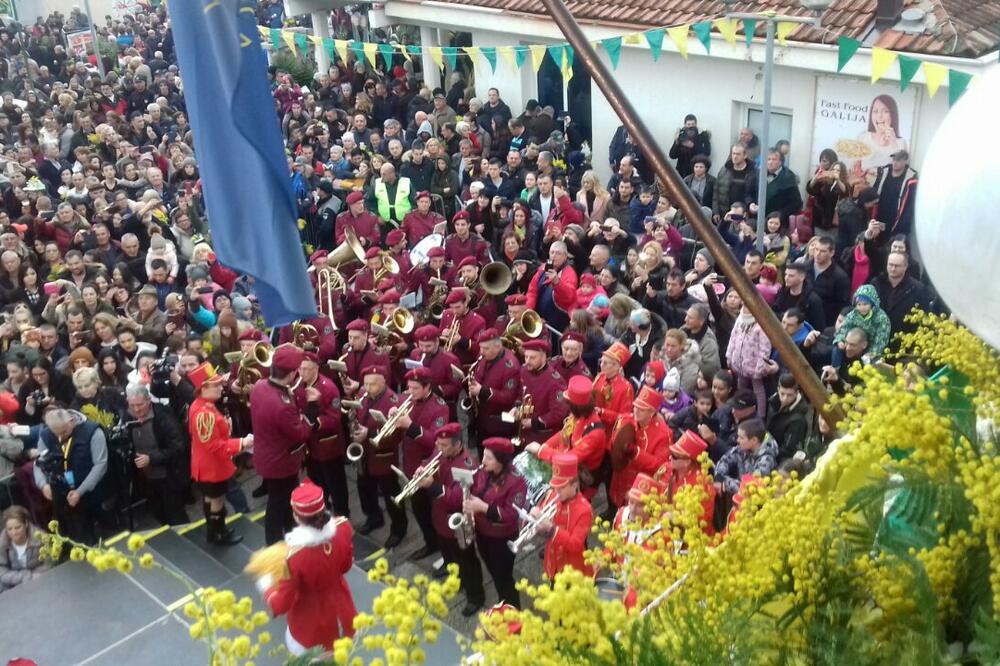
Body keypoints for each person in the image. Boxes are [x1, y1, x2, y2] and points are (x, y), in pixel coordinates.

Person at [259, 480, 357, 656]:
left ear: (296, 516)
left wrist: (267, 586)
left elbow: (281, 604)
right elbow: (346, 566)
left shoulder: (293, 557)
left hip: (311, 629)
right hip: (344, 612)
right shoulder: (343, 527)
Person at [250, 345, 315, 545]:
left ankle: (291, 530)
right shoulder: (282, 405)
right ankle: (275, 545)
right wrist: (312, 409)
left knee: (284, 499)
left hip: (266, 455)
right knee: (277, 504)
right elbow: (301, 433)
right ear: (293, 373)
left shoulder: (260, 386)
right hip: (281, 463)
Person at [419, 422, 484, 616]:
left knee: (467, 561)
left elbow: (458, 498)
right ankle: (457, 579)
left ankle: (475, 596)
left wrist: (433, 486)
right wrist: (422, 470)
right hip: (440, 516)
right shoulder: (441, 451)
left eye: (444, 445)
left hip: (458, 522)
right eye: (438, 444)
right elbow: (428, 461)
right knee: (449, 554)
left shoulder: (468, 465)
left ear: (457, 444)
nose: (439, 449)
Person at [188, 362, 252, 545]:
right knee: (217, 501)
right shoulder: (205, 413)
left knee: (211, 499)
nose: (219, 387)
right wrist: (242, 442)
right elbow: (214, 445)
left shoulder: (202, 406)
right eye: (215, 385)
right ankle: (218, 533)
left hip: (207, 465)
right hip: (212, 467)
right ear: (203, 388)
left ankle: (213, 531)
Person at [33, 408, 113, 545]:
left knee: (108, 532)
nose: (60, 437)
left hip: (94, 492)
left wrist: (80, 491)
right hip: (66, 495)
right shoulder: (46, 435)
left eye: (63, 432)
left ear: (71, 421)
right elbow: (39, 463)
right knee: (80, 537)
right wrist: (43, 484)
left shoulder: (93, 431)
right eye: (55, 433)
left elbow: (100, 465)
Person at [464, 437, 528, 608]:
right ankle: (503, 604)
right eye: (484, 456)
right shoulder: (483, 471)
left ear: (501, 461)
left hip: (501, 539)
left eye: (489, 458)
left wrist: (483, 507)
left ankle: (513, 610)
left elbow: (511, 515)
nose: (483, 460)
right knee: (493, 571)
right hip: (483, 533)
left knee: (503, 577)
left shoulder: (517, 482)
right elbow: (475, 488)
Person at [395, 367, 449, 559]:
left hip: (431, 468)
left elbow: (436, 441)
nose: (410, 392)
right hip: (410, 464)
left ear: (427, 388)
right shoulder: (405, 399)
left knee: (437, 514)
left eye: (415, 388)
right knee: (419, 510)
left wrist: (410, 426)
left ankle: (445, 551)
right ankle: (430, 543)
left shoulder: (440, 407)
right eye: (408, 387)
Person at [352, 365, 408, 548]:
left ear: (384, 382)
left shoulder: (393, 402)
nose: (367, 388)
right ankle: (373, 517)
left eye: (373, 385)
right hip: (365, 453)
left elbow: (396, 435)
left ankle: (399, 528)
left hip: (383, 455)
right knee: (364, 488)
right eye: (365, 384)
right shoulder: (363, 394)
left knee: (391, 493)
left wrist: (368, 433)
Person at [525, 374, 607, 500]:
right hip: (567, 464)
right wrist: (545, 445)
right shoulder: (578, 416)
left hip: (581, 480)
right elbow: (563, 433)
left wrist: (541, 451)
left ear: (576, 407)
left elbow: (570, 459)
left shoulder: (595, 433)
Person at [124, 383, 189, 526]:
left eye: (140, 405)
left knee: (176, 515)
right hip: (147, 479)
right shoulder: (127, 417)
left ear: (148, 401)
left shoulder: (163, 417)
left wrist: (152, 458)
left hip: (168, 476)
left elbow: (178, 446)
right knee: (158, 513)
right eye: (132, 405)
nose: (136, 409)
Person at [607, 385, 671, 513]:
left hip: (641, 484)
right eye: (636, 406)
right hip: (621, 477)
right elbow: (612, 444)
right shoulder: (624, 419)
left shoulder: (663, 434)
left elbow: (660, 466)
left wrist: (636, 453)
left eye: (642, 409)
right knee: (616, 508)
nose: (636, 410)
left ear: (652, 412)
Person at [535, 452, 592, 580]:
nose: (556, 491)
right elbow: (541, 511)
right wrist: (535, 515)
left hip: (571, 570)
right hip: (552, 562)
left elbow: (576, 544)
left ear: (574, 485)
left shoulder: (584, 510)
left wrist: (552, 530)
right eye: (555, 487)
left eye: (561, 488)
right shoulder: (553, 495)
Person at [870, 251, 931, 341]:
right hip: (876, 337)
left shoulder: (917, 289)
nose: (893, 269)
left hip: (903, 339)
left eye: (897, 266)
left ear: (905, 266)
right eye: (890, 265)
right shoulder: (876, 283)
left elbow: (924, 318)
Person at [712, 417, 778, 500]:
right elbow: (725, 460)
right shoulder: (743, 447)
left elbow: (750, 488)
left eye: (741, 438)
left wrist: (724, 482)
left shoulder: (766, 460)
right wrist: (718, 477)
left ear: (754, 440)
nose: (737, 440)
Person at [832, 284, 891, 364]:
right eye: (859, 305)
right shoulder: (853, 314)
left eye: (865, 304)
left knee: (871, 362)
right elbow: (844, 328)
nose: (862, 307)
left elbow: (881, 339)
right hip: (852, 344)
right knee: (837, 349)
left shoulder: (881, 318)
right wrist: (840, 340)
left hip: (870, 347)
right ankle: (835, 368)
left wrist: (872, 353)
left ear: (872, 303)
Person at [0, 506, 49, 592]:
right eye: (9, 529)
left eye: (18, 527)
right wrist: (25, 576)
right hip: (14, 582)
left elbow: (49, 563)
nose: (14, 533)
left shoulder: (41, 538)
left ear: (26, 524)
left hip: (39, 578)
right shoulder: (2, 544)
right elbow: (2, 572)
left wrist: (35, 577)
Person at [871, 150, 918, 237]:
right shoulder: (883, 172)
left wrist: (902, 224)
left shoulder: (911, 178)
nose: (895, 162)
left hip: (896, 219)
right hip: (879, 215)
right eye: (894, 160)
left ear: (905, 161)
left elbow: (909, 205)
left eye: (898, 160)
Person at [669, 114, 711, 178]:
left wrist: (693, 146)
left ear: (696, 124)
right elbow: (672, 155)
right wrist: (676, 143)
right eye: (688, 124)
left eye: (693, 124)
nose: (691, 126)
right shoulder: (681, 136)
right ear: (685, 125)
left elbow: (707, 153)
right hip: (681, 172)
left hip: (697, 172)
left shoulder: (703, 135)